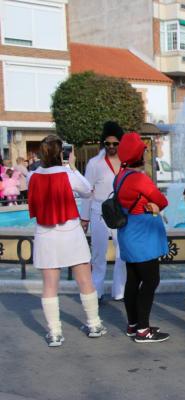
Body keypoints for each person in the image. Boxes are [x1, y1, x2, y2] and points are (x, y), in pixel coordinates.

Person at [27, 135, 107, 347]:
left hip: (45, 234)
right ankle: (94, 324)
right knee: (85, 280)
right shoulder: (67, 174)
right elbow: (86, 189)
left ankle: (54, 333)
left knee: (50, 285)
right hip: (70, 232)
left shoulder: (32, 176)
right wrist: (71, 166)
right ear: (62, 153)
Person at [116, 132, 170, 343]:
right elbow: (162, 200)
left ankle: (133, 324)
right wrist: (155, 206)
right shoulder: (139, 179)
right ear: (139, 155)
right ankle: (144, 330)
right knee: (150, 280)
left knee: (133, 280)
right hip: (144, 238)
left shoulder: (119, 176)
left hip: (128, 235)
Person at [81, 121, 126, 302]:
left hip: (120, 212)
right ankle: (96, 292)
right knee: (98, 254)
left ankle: (120, 290)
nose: (111, 147)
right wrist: (84, 218)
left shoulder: (126, 162)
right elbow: (86, 191)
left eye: (115, 143)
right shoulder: (94, 164)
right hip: (99, 211)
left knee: (122, 253)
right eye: (107, 144)